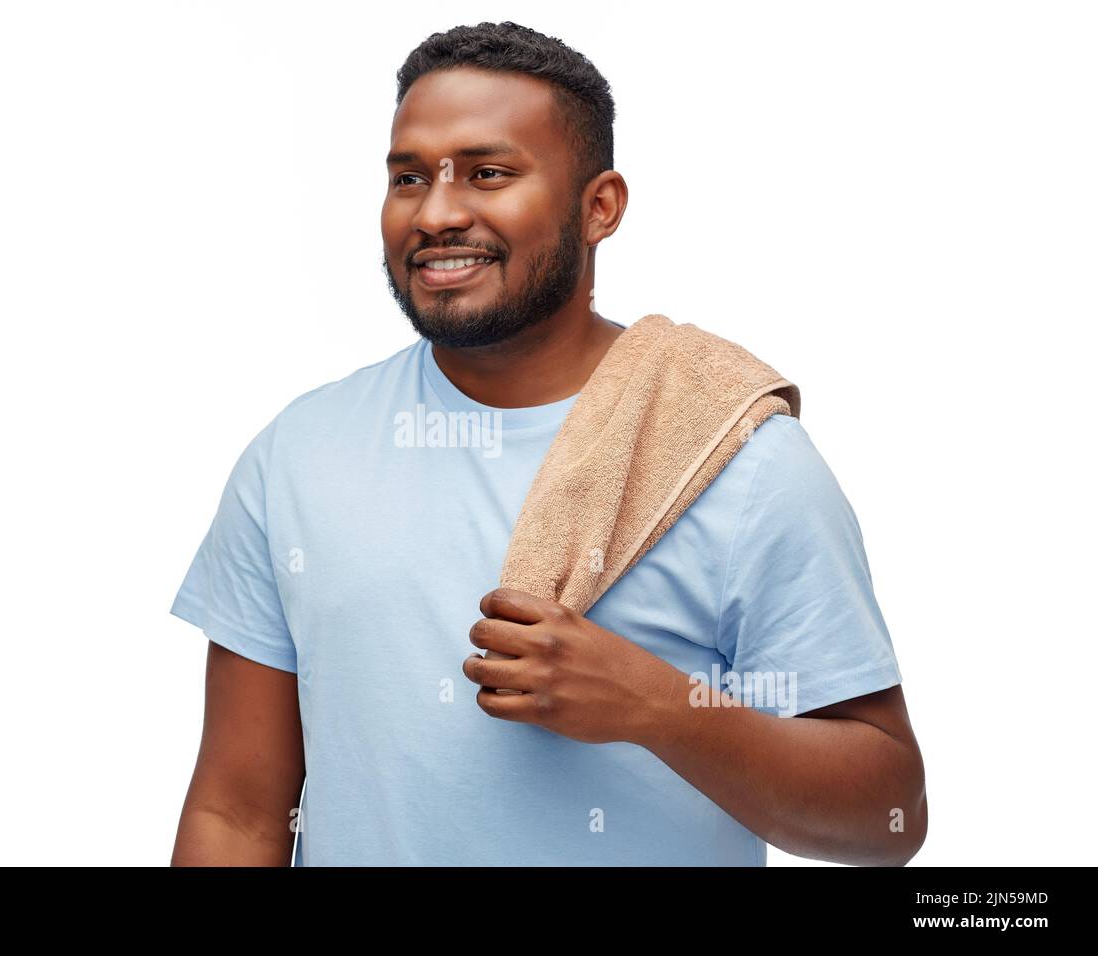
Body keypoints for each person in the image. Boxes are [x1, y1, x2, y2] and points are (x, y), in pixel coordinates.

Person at [168, 21, 926, 866]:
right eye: (409, 177)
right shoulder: (296, 459)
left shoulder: (737, 462)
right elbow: (236, 812)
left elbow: (887, 814)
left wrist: (659, 708)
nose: (439, 212)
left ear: (599, 207)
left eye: (489, 173)